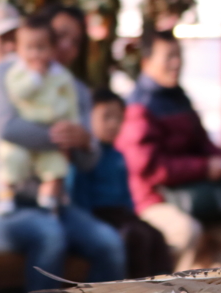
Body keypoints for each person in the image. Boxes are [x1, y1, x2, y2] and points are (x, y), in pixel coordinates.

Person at [0, 2, 132, 293]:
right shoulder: (4, 74)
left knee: (108, 242)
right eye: (59, 37)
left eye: (73, 40)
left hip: (55, 202)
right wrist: (61, 138)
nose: (65, 46)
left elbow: (87, 161)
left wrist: (86, 141)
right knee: (49, 236)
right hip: (6, 203)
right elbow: (7, 128)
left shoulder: (74, 90)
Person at [116, 28, 221, 273]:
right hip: (152, 200)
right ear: (147, 62)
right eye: (168, 57)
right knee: (186, 231)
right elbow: (149, 168)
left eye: (178, 55)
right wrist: (205, 168)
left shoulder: (179, 97)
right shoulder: (138, 107)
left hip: (194, 199)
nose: (176, 63)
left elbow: (203, 142)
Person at [68, 88, 173, 279]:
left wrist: (132, 213)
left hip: (122, 214)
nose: (113, 124)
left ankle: (163, 289)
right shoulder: (85, 156)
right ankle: (139, 290)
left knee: (156, 235)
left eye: (118, 118)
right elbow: (80, 192)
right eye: (106, 117)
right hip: (98, 215)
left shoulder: (119, 156)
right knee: (136, 237)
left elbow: (126, 193)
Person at [0, 14, 78, 215]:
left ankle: (50, 202)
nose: (35, 54)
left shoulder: (61, 76)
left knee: (56, 168)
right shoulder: (12, 72)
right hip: (31, 141)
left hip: (53, 131)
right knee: (14, 162)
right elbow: (8, 129)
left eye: (41, 47)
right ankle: (6, 197)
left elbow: (71, 104)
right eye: (28, 48)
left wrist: (74, 130)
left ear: (51, 48)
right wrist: (57, 138)